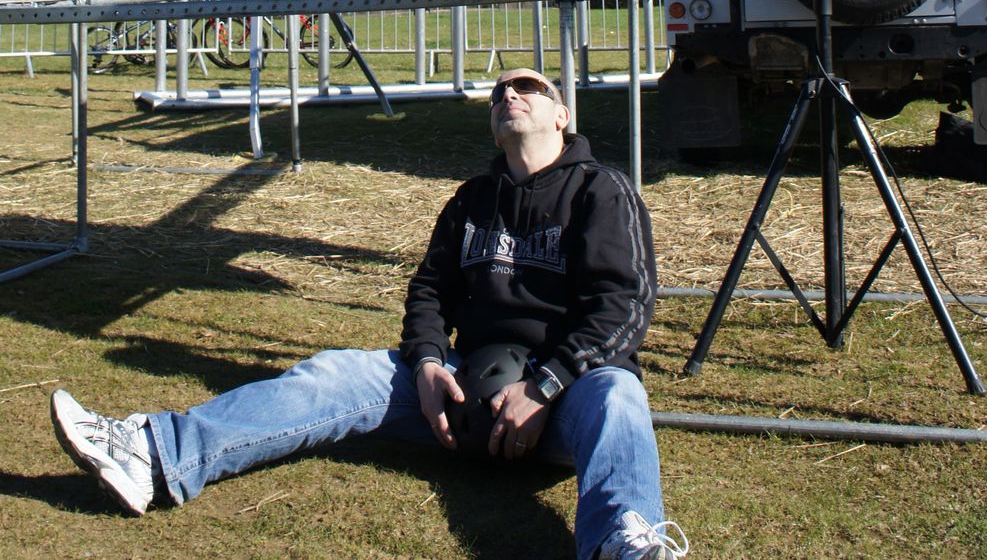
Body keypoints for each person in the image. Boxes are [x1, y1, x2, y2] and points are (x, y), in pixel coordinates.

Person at [49, 68, 687, 560]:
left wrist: (546, 386)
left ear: (562, 115)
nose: (508, 95)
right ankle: (155, 455)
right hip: (466, 383)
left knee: (619, 394)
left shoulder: (601, 191)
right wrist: (430, 365)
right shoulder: (470, 200)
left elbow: (623, 306)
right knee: (330, 376)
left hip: (564, 395)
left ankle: (621, 540)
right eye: (498, 93)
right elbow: (429, 293)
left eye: (526, 87)